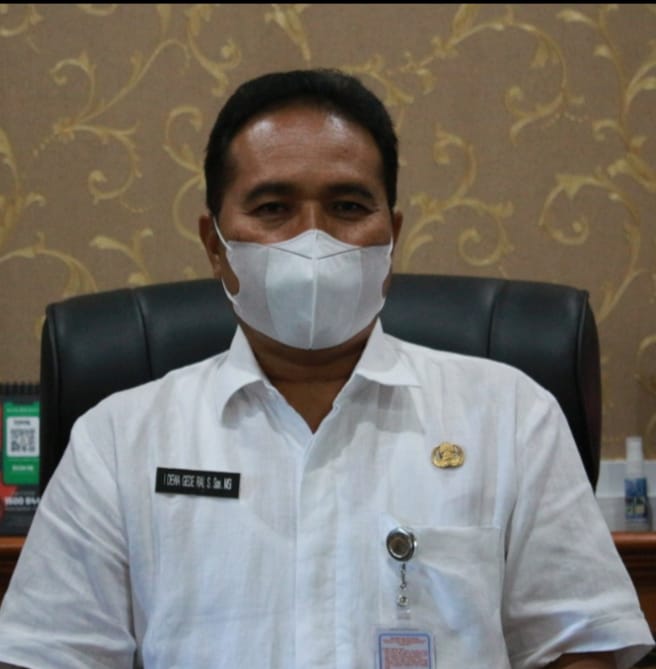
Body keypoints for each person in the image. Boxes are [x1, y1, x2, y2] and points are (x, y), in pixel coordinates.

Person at [0, 68, 653, 669]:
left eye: (347, 207)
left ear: (391, 237)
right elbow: (49, 654)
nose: (312, 239)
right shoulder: (118, 441)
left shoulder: (511, 415)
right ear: (215, 245)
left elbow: (581, 647)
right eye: (272, 208)